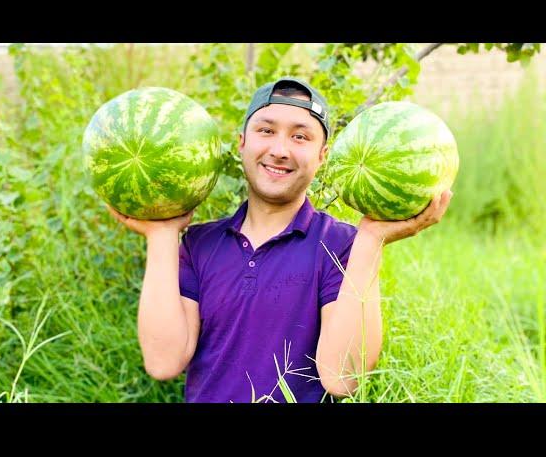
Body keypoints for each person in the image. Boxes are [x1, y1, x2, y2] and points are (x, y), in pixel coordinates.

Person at [107, 77, 453, 403]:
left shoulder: (342, 245)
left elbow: (342, 378)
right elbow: (162, 362)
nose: (280, 150)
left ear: (323, 157)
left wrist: (372, 239)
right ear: (242, 142)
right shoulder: (199, 244)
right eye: (266, 131)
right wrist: (162, 234)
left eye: (300, 137)